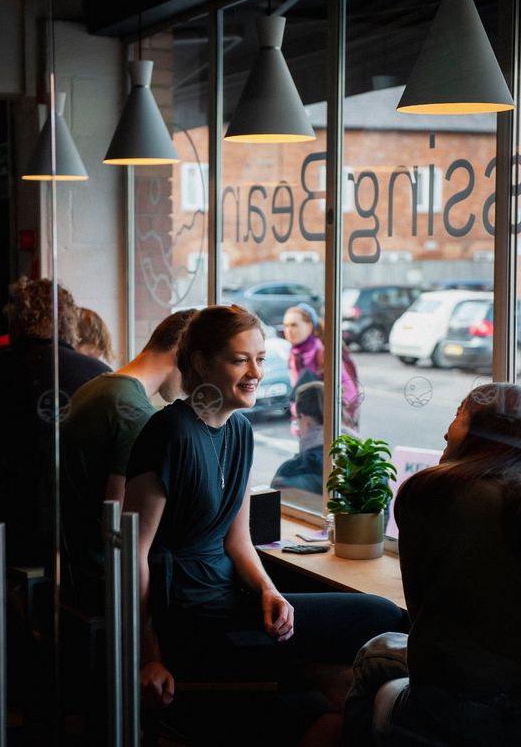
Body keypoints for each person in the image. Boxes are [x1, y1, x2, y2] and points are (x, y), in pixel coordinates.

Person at [124, 304, 405, 745]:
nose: (255, 371)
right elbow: (134, 553)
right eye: (240, 359)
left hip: (230, 604)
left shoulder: (240, 431)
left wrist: (269, 591)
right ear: (200, 363)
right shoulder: (168, 433)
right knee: (377, 623)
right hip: (193, 621)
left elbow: (238, 540)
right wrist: (148, 657)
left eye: (260, 358)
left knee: (371, 637)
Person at [343, 382, 521, 747]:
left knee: (373, 655)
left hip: (462, 705)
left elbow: (422, 612)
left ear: (486, 431)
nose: (445, 430)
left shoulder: (434, 492)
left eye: (458, 416)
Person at [0, 276, 110, 567]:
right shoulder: (99, 376)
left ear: (16, 321)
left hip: (2, 535)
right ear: (69, 321)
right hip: (81, 536)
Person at [59, 308, 197, 611]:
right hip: (103, 580)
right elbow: (123, 529)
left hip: (73, 570)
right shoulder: (135, 413)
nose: (191, 385)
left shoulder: (97, 386)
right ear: (180, 353)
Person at [283, 303, 361, 432]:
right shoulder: (294, 354)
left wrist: (333, 419)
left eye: (294, 325)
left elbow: (348, 390)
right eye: (286, 325)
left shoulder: (321, 352)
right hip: (307, 424)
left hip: (328, 426)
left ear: (309, 326)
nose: (289, 330)